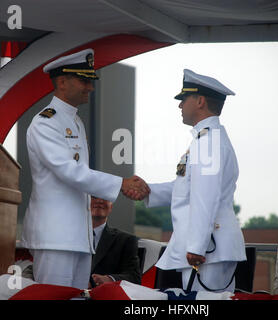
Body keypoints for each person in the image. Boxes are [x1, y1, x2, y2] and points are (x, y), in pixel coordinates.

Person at [21, 48, 149, 289]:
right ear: (61, 81)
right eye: (84, 80)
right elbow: (68, 171)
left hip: (78, 235)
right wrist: (120, 183)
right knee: (54, 297)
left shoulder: (75, 121)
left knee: (78, 297)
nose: (90, 87)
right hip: (55, 235)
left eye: (90, 81)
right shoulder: (45, 122)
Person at [127, 69, 246, 292]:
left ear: (200, 101)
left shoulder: (208, 142)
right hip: (209, 246)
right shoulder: (206, 139)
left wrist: (197, 246)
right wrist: (147, 190)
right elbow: (188, 189)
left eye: (184, 99)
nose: (179, 105)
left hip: (208, 248)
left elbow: (205, 198)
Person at [90, 196, 141, 286]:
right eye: (94, 197)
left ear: (111, 207)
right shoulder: (66, 237)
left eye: (105, 197)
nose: (100, 201)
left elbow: (134, 277)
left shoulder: (126, 240)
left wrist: (110, 279)